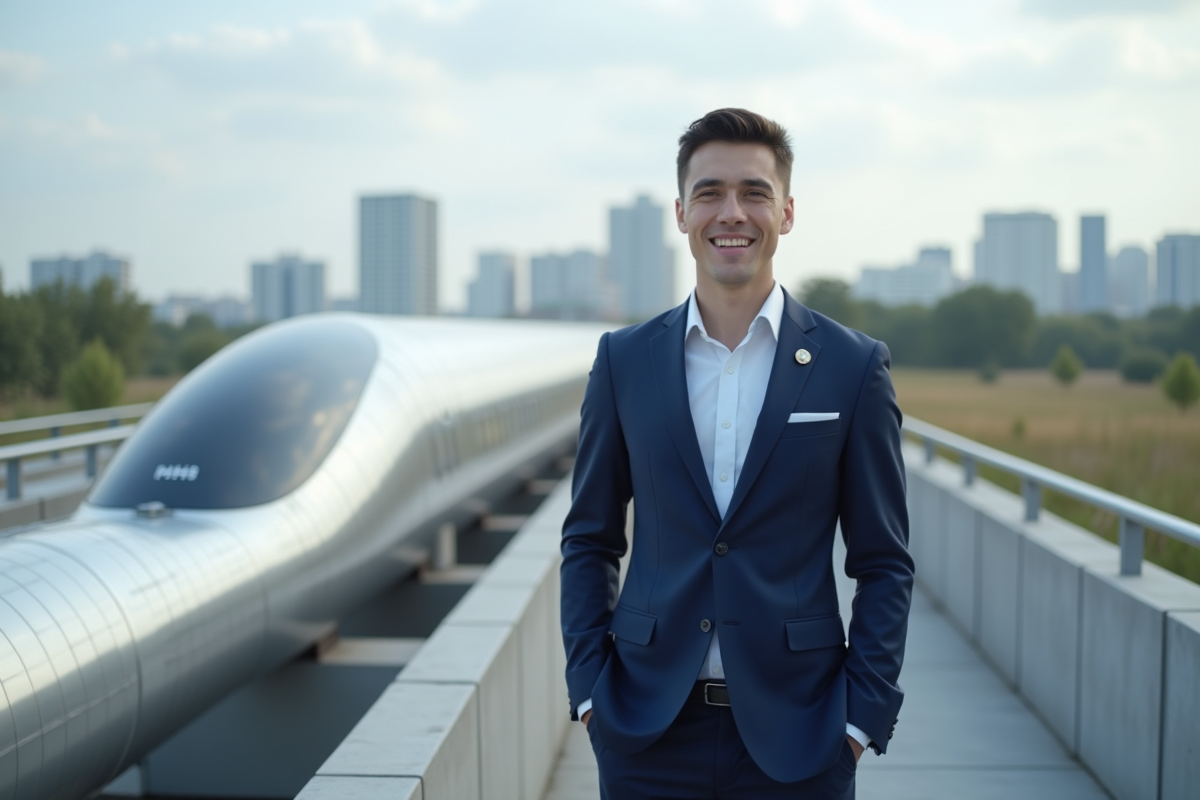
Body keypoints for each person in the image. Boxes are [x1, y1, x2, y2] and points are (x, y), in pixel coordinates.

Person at [559, 108, 914, 799]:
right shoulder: (622, 362)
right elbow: (590, 539)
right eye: (710, 192)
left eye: (754, 192)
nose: (732, 212)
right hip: (644, 731)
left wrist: (860, 721)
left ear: (785, 212)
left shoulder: (853, 366)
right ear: (681, 212)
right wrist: (589, 693)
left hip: (804, 735)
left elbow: (883, 562)